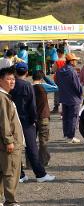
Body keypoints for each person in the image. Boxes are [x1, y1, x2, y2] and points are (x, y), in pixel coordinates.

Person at [10, 62, 55, 183]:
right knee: (32, 148)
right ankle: (40, 174)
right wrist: (34, 120)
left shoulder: (11, 84)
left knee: (16, 149)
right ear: (26, 72)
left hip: (13, 121)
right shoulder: (27, 85)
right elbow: (32, 106)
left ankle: (20, 174)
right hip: (27, 121)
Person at [0, 66, 24, 205]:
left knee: (4, 170)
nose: (12, 81)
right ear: (0, 81)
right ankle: (11, 201)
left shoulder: (5, 96)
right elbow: (4, 121)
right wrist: (9, 140)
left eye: (13, 78)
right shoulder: (2, 97)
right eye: (8, 79)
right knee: (11, 172)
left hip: (7, 142)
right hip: (9, 143)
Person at [32, 70, 58, 167]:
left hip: (32, 118)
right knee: (43, 141)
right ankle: (43, 161)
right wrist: (46, 78)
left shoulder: (28, 87)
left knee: (31, 141)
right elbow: (56, 87)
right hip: (43, 116)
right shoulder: (43, 86)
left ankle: (30, 161)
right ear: (41, 78)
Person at [56, 53, 82, 144]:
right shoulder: (72, 71)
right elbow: (77, 86)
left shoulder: (59, 71)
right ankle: (71, 136)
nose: (76, 62)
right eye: (75, 60)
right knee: (73, 117)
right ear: (71, 61)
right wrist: (80, 93)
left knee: (66, 117)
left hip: (64, 96)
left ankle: (67, 134)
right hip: (73, 97)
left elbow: (57, 82)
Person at [51, 48, 66, 114]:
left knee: (57, 93)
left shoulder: (57, 61)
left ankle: (56, 107)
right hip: (66, 79)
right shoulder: (67, 60)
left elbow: (53, 70)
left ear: (59, 53)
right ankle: (64, 109)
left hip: (58, 79)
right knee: (65, 93)